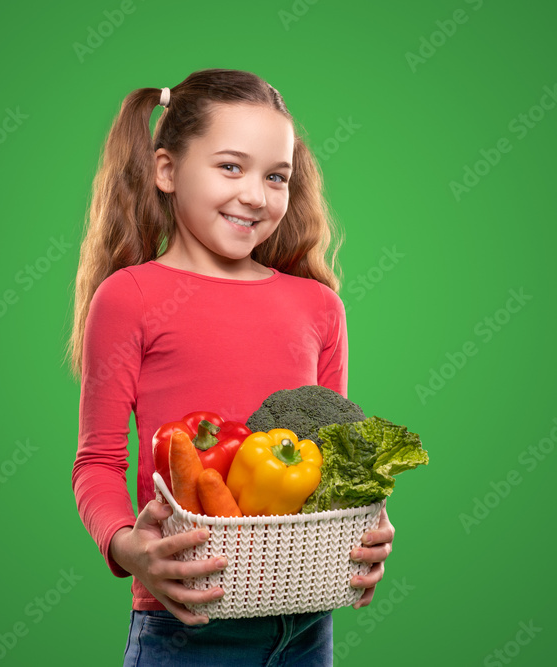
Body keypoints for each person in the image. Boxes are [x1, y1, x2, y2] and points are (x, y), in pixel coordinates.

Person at [69, 69, 396, 666]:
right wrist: (129, 548)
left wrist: (367, 527)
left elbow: (334, 463)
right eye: (230, 167)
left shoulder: (318, 306)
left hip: (306, 626)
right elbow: (97, 461)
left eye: (276, 177)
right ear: (166, 170)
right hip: (185, 625)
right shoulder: (129, 297)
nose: (256, 194)